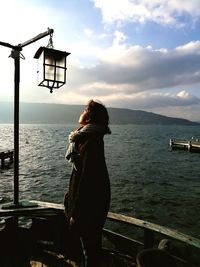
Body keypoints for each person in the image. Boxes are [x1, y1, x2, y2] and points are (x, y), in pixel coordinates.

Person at [64, 99, 111, 267]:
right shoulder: (85, 137)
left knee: (89, 251)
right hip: (93, 203)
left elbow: (88, 179)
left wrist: (76, 212)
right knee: (90, 248)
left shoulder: (91, 141)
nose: (82, 111)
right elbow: (83, 174)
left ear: (90, 117)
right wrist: (71, 193)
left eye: (85, 109)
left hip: (90, 207)